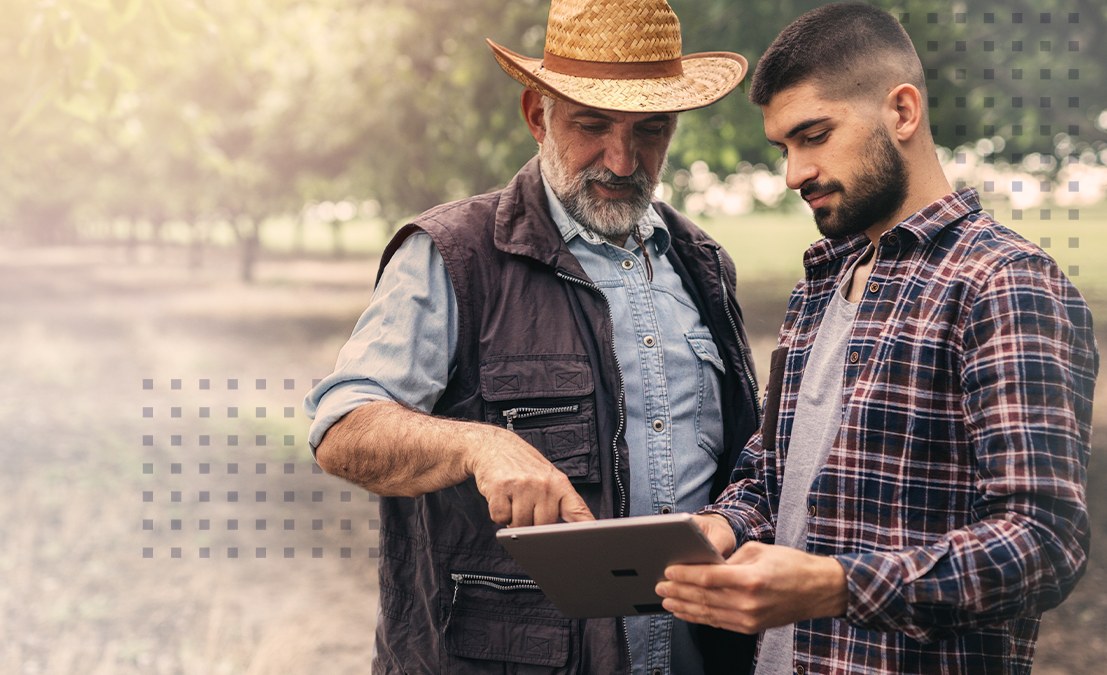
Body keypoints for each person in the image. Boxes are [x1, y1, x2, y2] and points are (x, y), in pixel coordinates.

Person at [304, 1, 761, 672]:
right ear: (535, 114)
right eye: (592, 124)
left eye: (651, 130)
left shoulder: (703, 263)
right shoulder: (453, 254)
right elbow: (340, 427)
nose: (622, 158)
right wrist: (479, 444)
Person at [654, 3, 1099, 674]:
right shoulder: (818, 288)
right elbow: (776, 478)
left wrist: (836, 585)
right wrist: (723, 526)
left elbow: (1043, 542)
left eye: (814, 135)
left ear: (902, 112)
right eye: (784, 148)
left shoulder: (1003, 284)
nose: (793, 174)